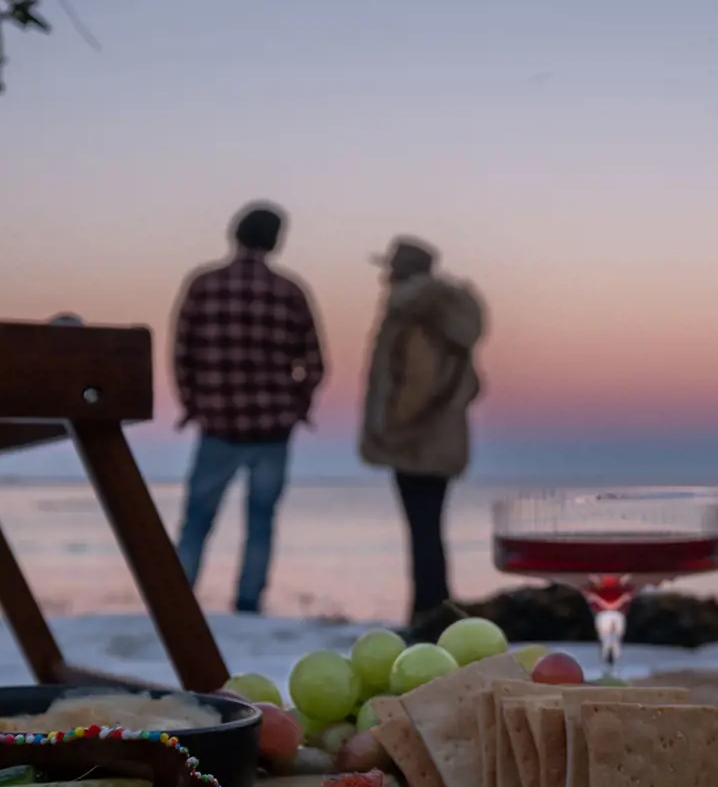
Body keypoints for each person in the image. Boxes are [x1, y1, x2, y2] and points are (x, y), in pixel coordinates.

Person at [171, 203, 324, 613]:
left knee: (196, 520)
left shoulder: (204, 285)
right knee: (260, 522)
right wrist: (297, 406)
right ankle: (248, 603)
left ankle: (178, 601)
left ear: (234, 233)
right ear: (275, 241)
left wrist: (193, 404)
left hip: (218, 425)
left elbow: (182, 352)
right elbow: (313, 361)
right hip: (273, 428)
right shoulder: (289, 291)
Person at [359, 237, 485, 621]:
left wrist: (393, 427)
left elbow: (418, 378)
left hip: (417, 442)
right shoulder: (445, 314)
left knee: (423, 530)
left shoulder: (415, 313)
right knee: (428, 529)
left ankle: (428, 612)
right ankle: (433, 607)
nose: (385, 277)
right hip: (441, 440)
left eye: (390, 269)